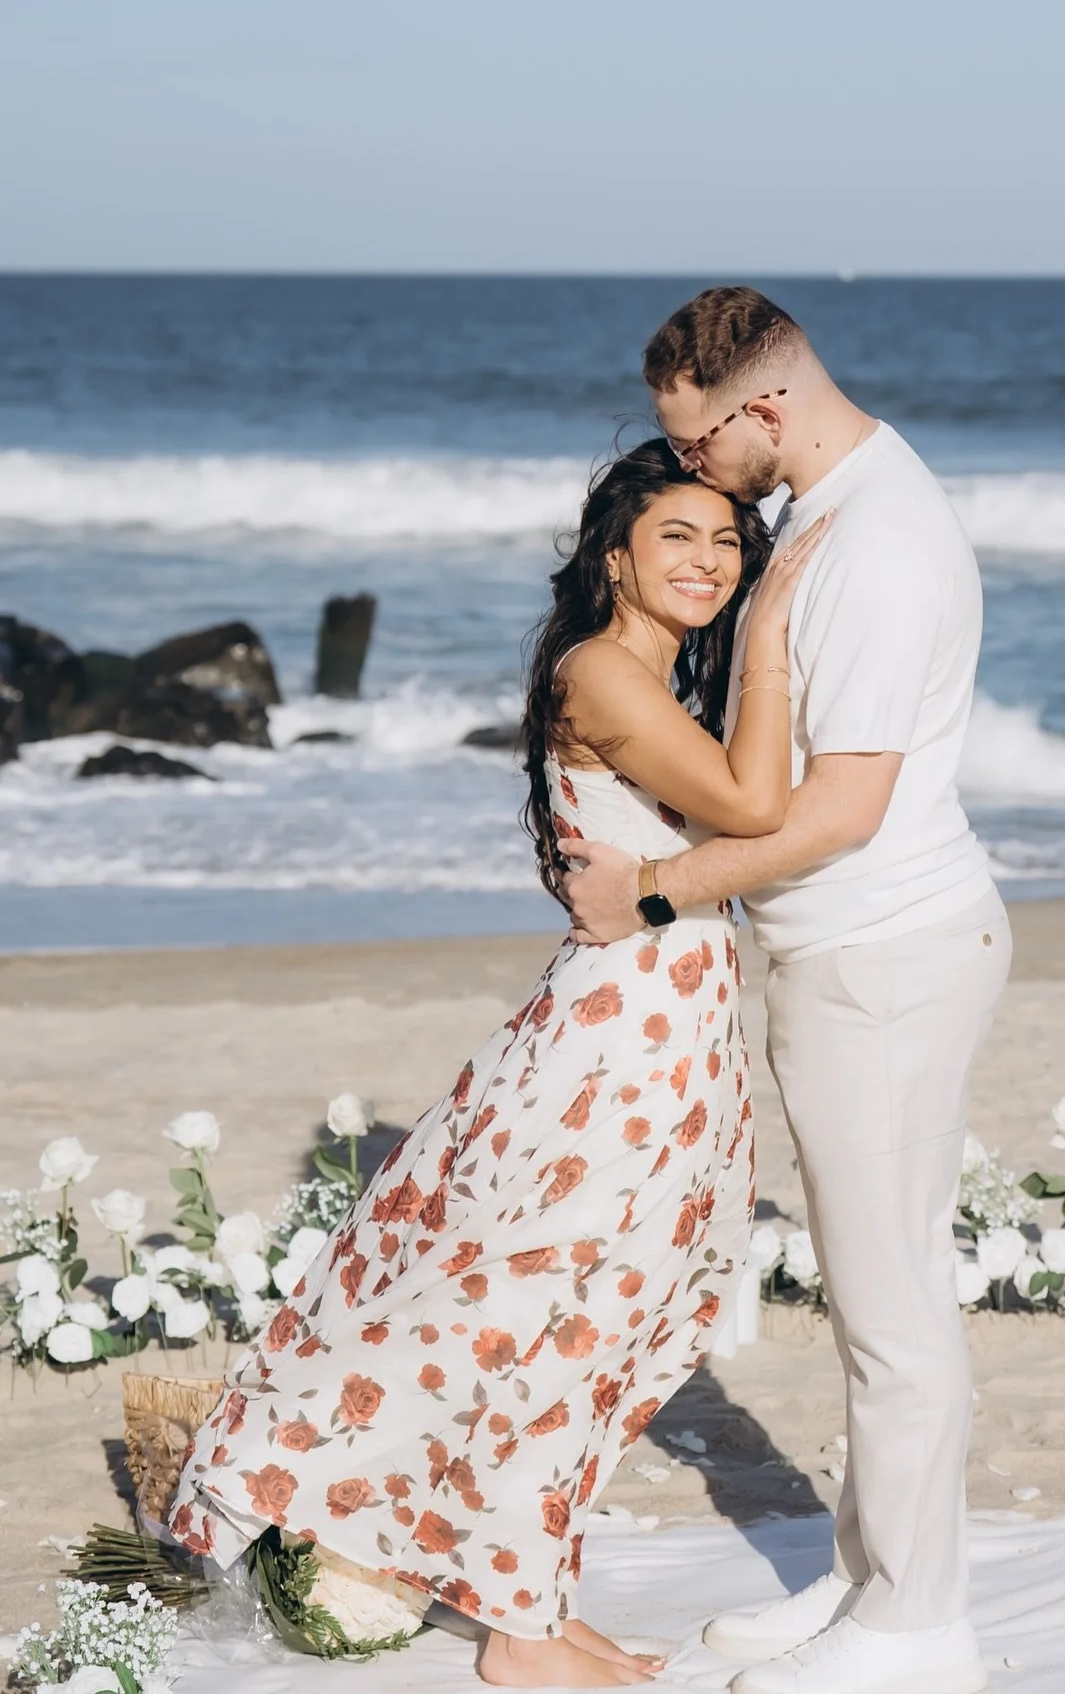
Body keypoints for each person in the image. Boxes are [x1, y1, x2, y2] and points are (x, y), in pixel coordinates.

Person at [167, 439, 829, 1689]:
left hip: (660, 1022)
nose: (709, 560)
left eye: (730, 544)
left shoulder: (642, 671)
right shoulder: (600, 671)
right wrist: (778, 630)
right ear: (616, 555)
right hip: (618, 1042)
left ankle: (532, 1592)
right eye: (678, 537)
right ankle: (518, 1630)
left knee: (598, 1322)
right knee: (558, 1322)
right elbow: (755, 808)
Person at [564, 289, 1010, 1694]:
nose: (692, 468)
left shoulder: (874, 538)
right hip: (860, 952)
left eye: (695, 438)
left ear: (760, 403)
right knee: (877, 1291)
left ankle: (920, 1623)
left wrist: (654, 889)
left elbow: (841, 811)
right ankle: (874, 1584)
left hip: (883, 950)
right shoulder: (832, 506)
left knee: (891, 1305)